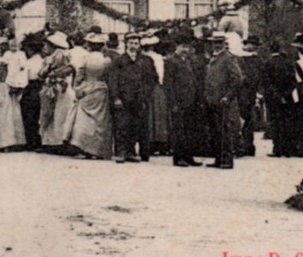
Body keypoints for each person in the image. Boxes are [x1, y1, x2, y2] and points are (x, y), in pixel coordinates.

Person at [203, 31, 251, 169]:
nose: (216, 45)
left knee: (225, 131)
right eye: (214, 43)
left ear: (224, 43)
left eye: (219, 42)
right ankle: (218, 159)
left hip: (223, 101)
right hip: (212, 100)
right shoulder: (214, 58)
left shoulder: (228, 58)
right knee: (216, 131)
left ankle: (226, 160)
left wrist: (228, 96)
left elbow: (238, 78)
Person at [107, 32, 155, 163]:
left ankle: (130, 152)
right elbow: (113, 80)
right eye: (131, 43)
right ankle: (120, 152)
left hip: (140, 99)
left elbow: (152, 79)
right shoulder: (119, 61)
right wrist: (116, 97)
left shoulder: (146, 61)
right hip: (123, 99)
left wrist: (146, 95)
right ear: (126, 44)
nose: (133, 46)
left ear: (139, 45)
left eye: (136, 43)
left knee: (135, 125)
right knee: (122, 125)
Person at [162, 28, 206, 167]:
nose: (185, 49)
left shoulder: (189, 61)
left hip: (191, 101)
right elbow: (168, 84)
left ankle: (188, 156)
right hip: (178, 102)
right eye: (183, 46)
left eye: (187, 47)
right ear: (177, 46)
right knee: (178, 131)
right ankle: (178, 157)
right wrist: (173, 103)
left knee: (190, 130)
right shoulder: (171, 61)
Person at [68, 31, 115, 159]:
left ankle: (85, 147)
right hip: (101, 88)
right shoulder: (106, 61)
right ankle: (98, 149)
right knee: (100, 120)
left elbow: (79, 75)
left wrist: (77, 88)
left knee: (85, 120)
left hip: (87, 88)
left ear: (89, 45)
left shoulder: (85, 59)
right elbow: (109, 76)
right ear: (101, 46)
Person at [7, 31, 48, 150]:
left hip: (30, 88)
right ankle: (42, 141)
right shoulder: (44, 62)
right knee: (41, 115)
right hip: (42, 87)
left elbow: (23, 77)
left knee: (29, 115)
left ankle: (31, 141)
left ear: (30, 49)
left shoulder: (28, 63)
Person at [39, 31, 76, 152]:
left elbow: (60, 71)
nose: (45, 48)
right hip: (54, 87)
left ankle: (59, 142)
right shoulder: (52, 57)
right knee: (52, 114)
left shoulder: (60, 55)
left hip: (60, 88)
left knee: (59, 114)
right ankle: (52, 142)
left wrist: (50, 72)